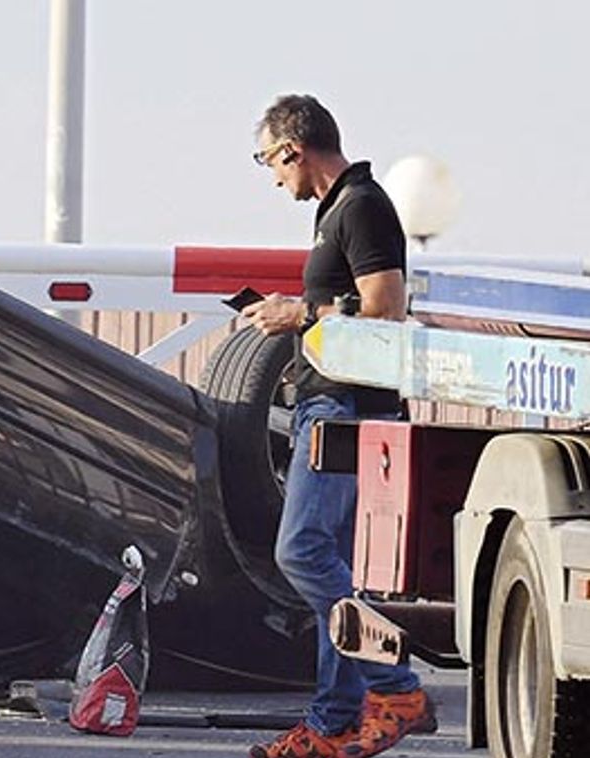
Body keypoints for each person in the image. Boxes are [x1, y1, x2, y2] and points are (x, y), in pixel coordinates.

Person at [242, 94, 434, 758]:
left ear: (293, 148)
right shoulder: (339, 211)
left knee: (300, 553)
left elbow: (383, 308)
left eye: (268, 160)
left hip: (346, 408)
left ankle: (397, 686)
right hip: (336, 405)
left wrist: (296, 315)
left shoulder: (361, 206)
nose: (271, 176)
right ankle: (331, 725)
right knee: (335, 572)